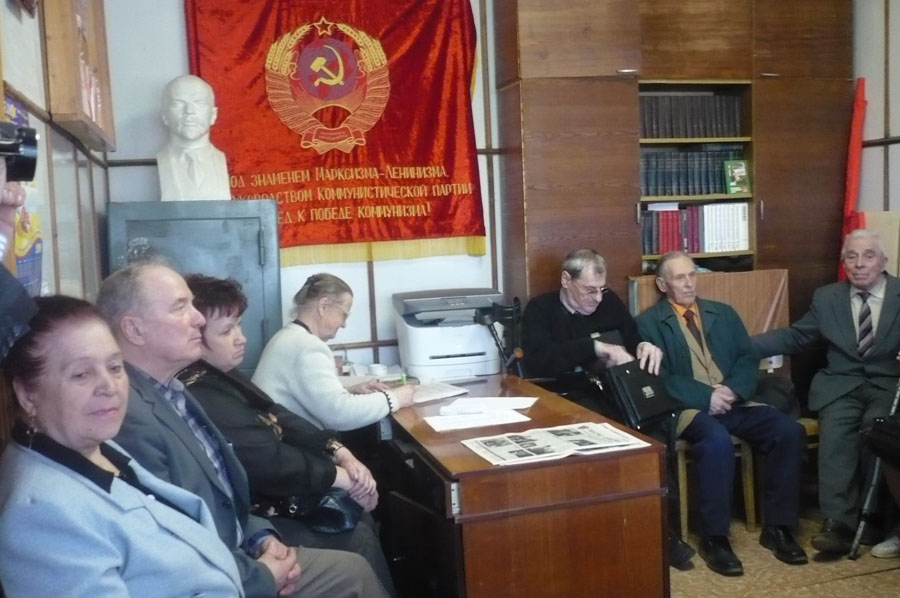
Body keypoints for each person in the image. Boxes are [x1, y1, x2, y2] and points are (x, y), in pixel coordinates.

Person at [97, 261, 390, 598]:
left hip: (245, 535)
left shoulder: (175, 391)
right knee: (353, 568)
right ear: (134, 330)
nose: (197, 319)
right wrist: (260, 573)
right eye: (180, 307)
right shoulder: (131, 415)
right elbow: (176, 541)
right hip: (222, 567)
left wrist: (260, 536)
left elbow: (225, 491)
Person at [0, 296, 245, 596]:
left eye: (115, 367)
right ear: (27, 395)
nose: (109, 386)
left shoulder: (94, 447)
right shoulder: (40, 517)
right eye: (81, 374)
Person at [180, 273, 396, 594]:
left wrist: (338, 450)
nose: (241, 338)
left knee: (358, 519)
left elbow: (278, 413)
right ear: (194, 335)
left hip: (270, 497)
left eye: (239, 326)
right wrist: (342, 476)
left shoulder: (222, 374)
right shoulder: (202, 390)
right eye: (227, 331)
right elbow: (270, 461)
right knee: (357, 536)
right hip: (258, 509)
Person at [519, 249, 696, 570]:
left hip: (615, 389)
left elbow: (632, 338)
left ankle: (663, 532)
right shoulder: (541, 309)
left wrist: (644, 345)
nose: (598, 298)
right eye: (589, 290)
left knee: (659, 430)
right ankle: (615, 534)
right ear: (566, 280)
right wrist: (594, 347)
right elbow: (539, 360)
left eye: (601, 289)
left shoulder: (609, 301)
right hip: (568, 397)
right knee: (606, 437)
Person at [636, 252, 808, 575]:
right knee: (715, 441)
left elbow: (747, 358)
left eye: (692, 275)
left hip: (733, 401)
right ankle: (715, 538)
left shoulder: (723, 313)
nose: (689, 283)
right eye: (679, 278)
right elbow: (660, 380)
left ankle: (779, 528)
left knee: (787, 430)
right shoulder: (648, 324)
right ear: (662, 284)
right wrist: (707, 397)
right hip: (688, 409)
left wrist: (733, 390)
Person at [753, 229, 900, 556]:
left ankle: (874, 518)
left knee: (876, 430)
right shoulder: (827, 297)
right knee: (835, 436)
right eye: (852, 256)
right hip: (841, 385)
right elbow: (796, 336)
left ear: (883, 261)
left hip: (887, 384)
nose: (859, 264)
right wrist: (742, 345)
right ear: (844, 262)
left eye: (868, 256)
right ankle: (838, 524)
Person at [252, 273, 415, 431]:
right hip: (293, 445)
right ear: (323, 306)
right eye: (344, 315)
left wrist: (351, 390)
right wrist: (394, 398)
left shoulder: (286, 336)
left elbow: (313, 396)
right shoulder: (308, 347)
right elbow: (339, 414)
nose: (344, 324)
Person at [157, 74, 231, 201]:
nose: (189, 111)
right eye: (178, 104)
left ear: (213, 115)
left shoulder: (221, 160)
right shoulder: (161, 160)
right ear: (164, 115)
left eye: (199, 103)